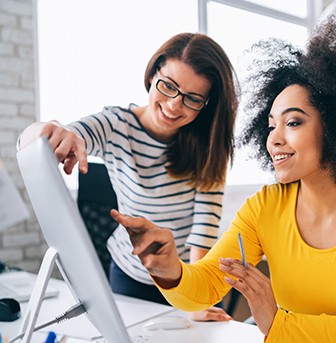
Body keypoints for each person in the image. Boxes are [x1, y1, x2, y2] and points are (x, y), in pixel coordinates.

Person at [112, 19, 336, 343]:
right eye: (270, 125)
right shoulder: (267, 205)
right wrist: (170, 269)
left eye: (293, 122)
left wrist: (280, 323)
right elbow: (206, 285)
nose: (274, 140)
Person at [18, 33, 237, 321]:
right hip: (128, 272)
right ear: (153, 73)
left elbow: (204, 229)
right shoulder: (117, 125)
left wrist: (193, 297)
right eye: (168, 86)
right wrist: (49, 131)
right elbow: (52, 135)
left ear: (207, 105)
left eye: (193, 99)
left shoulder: (209, 146)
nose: (173, 105)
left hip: (181, 277)